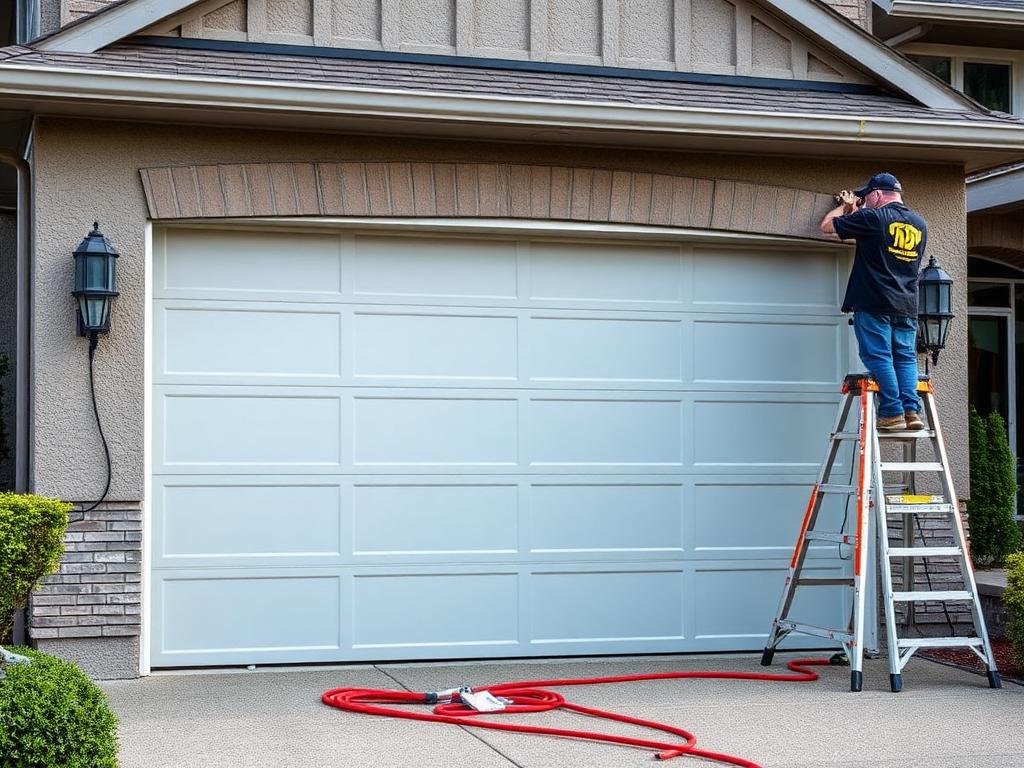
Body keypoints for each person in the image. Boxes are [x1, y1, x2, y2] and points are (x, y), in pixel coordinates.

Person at [820, 172, 927, 432]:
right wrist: (857, 209)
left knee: (878, 356)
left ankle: (891, 412)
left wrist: (845, 206)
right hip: (906, 304)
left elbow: (827, 226)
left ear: (878, 195)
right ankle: (912, 411)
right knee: (905, 357)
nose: (865, 201)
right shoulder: (919, 224)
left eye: (867, 197)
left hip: (874, 302)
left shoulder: (872, 217)